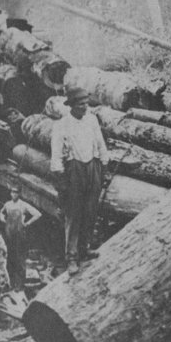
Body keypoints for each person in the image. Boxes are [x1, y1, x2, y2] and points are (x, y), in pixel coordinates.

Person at [50, 87, 109, 275]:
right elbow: (56, 154)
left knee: (90, 210)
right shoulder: (62, 124)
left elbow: (100, 143)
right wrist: (60, 177)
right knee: (74, 213)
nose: (85, 107)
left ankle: (85, 248)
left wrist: (104, 165)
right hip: (74, 169)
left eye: (86, 103)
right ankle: (72, 257)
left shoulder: (91, 120)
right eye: (81, 104)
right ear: (72, 106)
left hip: (93, 166)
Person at [0, 185, 40, 292]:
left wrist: (27, 223)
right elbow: (1, 212)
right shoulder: (7, 204)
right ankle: (11, 283)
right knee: (10, 258)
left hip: (20, 236)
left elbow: (37, 214)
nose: (14, 194)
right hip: (9, 235)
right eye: (12, 192)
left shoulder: (23, 205)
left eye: (16, 192)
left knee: (20, 259)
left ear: (19, 194)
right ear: (10, 193)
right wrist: (3, 219)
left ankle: (21, 284)